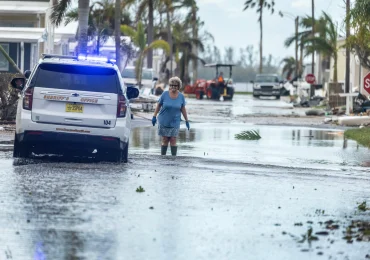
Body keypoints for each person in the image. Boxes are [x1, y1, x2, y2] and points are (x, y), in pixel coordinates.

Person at [152, 76, 190, 156]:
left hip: (175, 121)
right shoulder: (165, 94)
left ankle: (173, 159)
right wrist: (154, 116)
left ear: (178, 86)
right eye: (171, 85)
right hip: (164, 120)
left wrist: (187, 120)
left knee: (173, 139)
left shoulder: (181, 97)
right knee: (165, 139)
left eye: (175, 85)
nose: (173, 87)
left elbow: (183, 108)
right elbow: (158, 105)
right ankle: (163, 158)